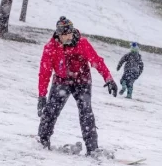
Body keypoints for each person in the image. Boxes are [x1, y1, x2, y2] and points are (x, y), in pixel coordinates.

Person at [37, 16, 118, 155]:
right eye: (65, 34)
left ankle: (92, 148)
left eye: (70, 33)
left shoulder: (82, 43)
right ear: (58, 34)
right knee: (50, 110)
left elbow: (96, 61)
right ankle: (42, 141)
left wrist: (108, 79)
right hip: (61, 81)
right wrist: (41, 96)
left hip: (82, 81)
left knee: (86, 112)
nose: (68, 37)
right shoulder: (50, 48)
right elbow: (44, 73)